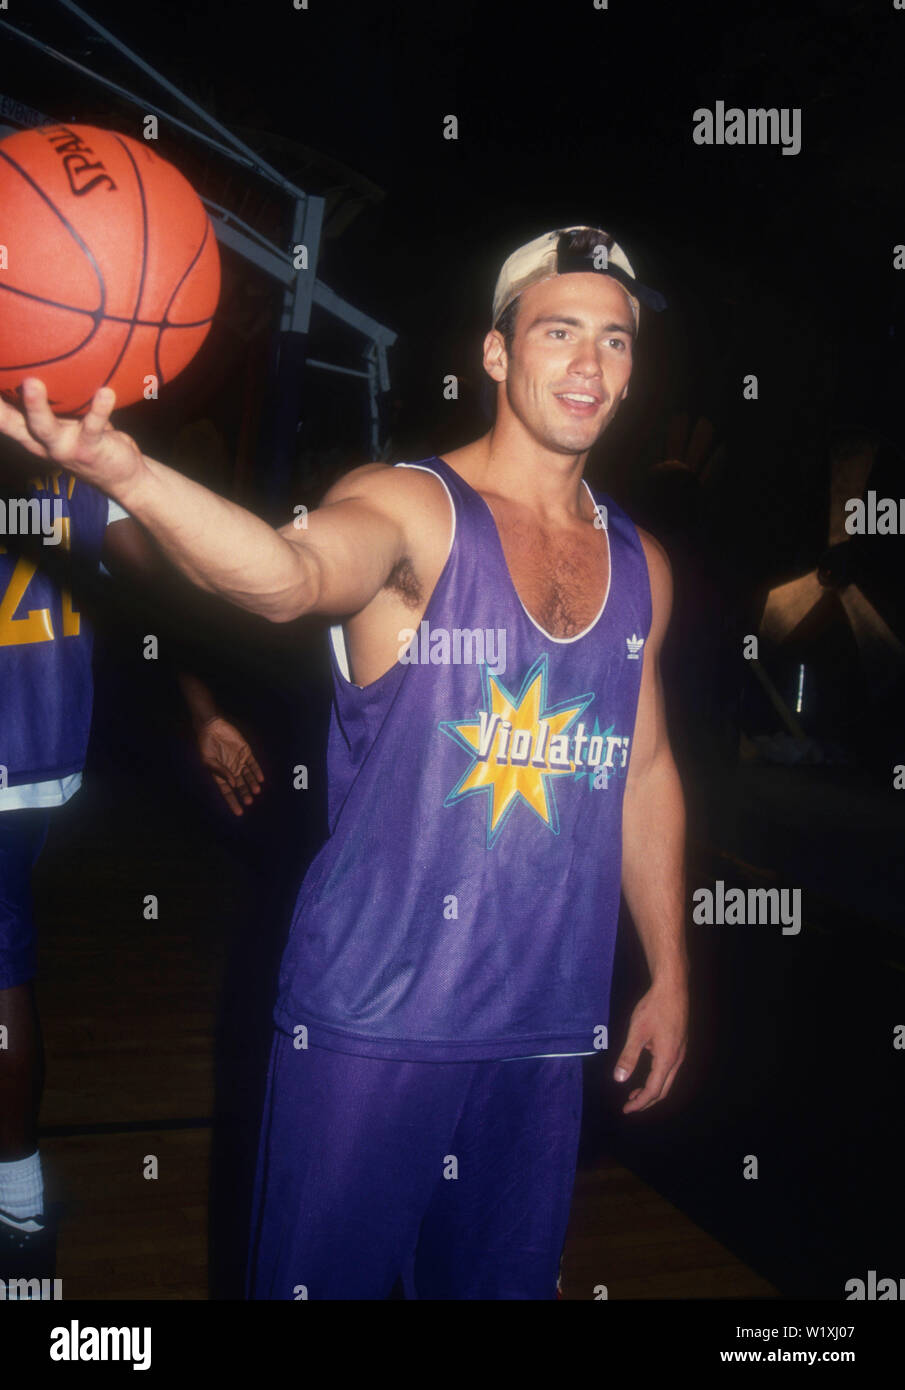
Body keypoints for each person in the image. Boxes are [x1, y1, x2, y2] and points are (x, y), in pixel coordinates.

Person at [0, 224, 689, 1300]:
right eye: (559, 332)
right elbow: (285, 575)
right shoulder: (414, 506)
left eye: (615, 338)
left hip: (544, 1032)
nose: (590, 363)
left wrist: (670, 968)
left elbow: (643, 768)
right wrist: (128, 475)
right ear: (497, 355)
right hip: (377, 1016)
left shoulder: (639, 562)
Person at [0, 463, 263, 1282]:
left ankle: (20, 1213)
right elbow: (158, 595)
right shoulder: (74, 462)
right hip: (42, 759)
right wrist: (205, 709)